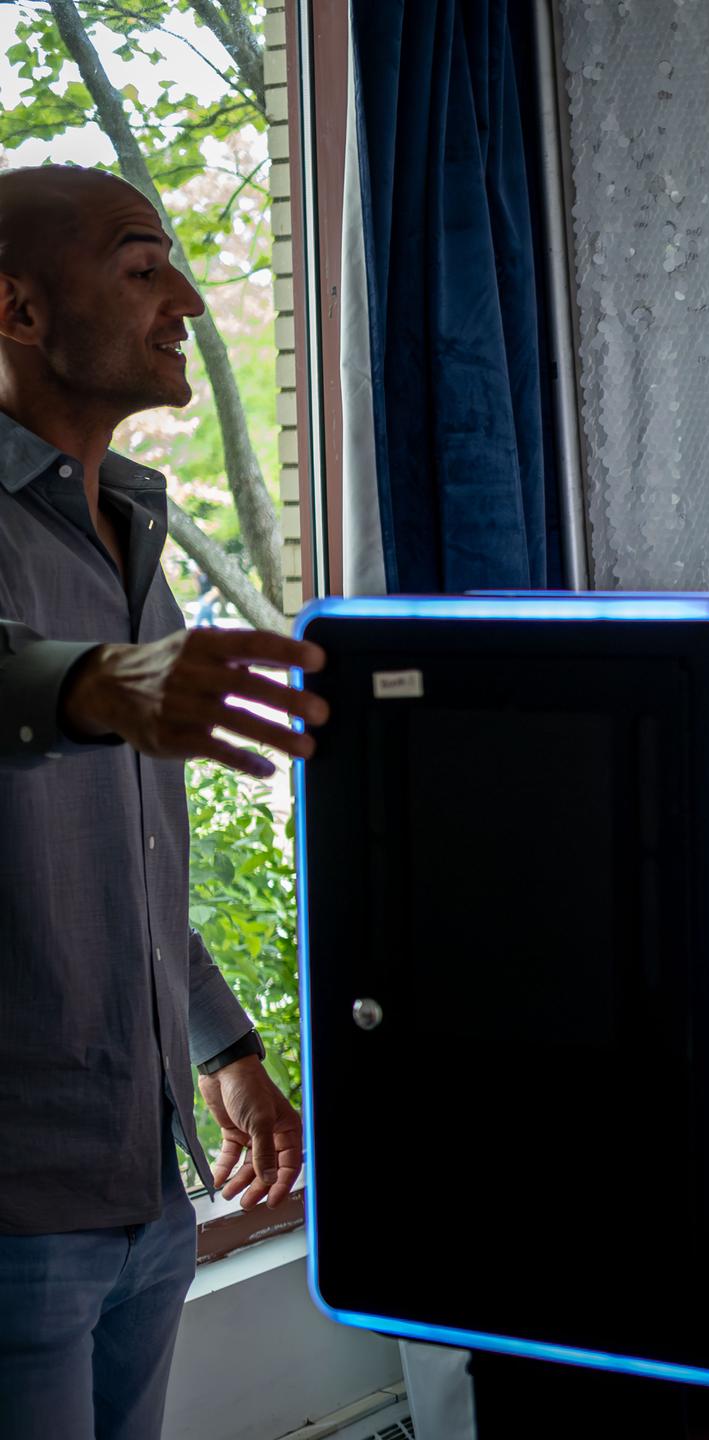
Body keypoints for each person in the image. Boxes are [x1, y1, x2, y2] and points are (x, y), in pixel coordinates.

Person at [0, 164, 328, 1440]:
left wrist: (228, 1054)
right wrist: (87, 682)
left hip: (146, 1190)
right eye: (144, 268)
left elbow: (125, 861)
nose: (186, 297)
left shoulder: (133, 522)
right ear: (18, 311)